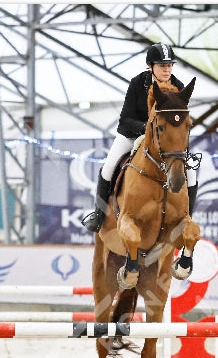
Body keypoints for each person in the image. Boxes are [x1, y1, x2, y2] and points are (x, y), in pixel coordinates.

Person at [81, 42, 198, 233]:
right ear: (150, 66)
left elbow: (179, 120)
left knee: (191, 173)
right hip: (132, 135)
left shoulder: (179, 87)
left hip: (166, 141)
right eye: (162, 66)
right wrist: (147, 129)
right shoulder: (137, 83)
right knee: (109, 166)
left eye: (169, 66)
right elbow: (125, 119)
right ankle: (98, 214)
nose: (167, 70)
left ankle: (187, 219)